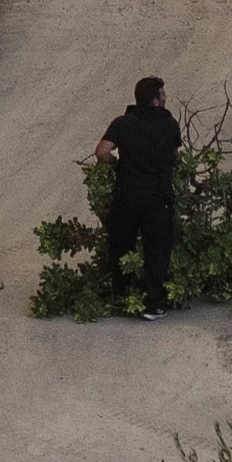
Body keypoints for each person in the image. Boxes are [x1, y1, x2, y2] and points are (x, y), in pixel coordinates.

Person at [91, 75, 184, 320]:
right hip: (158, 197)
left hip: (127, 196)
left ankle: (122, 296)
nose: (165, 100)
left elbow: (102, 152)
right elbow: (174, 154)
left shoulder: (122, 123)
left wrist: (117, 163)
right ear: (155, 101)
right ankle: (153, 304)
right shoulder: (169, 124)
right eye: (163, 96)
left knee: (121, 244)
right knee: (157, 249)